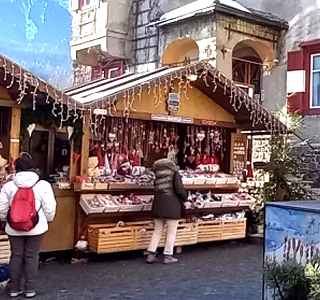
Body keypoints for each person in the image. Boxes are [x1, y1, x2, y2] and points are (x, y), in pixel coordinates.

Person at [0, 155, 56, 298]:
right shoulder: (43, 185)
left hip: (13, 227)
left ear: (16, 168)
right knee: (32, 256)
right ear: (33, 167)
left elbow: (2, 208)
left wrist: (5, 220)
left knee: (16, 256)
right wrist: (47, 220)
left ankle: (14, 288)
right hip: (37, 226)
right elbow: (50, 207)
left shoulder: (9, 186)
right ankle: (30, 289)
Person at [147, 158, 188, 264]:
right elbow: (179, 189)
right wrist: (185, 198)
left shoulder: (157, 173)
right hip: (171, 205)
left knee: (157, 231)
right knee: (171, 232)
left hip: (158, 204)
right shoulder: (174, 173)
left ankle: (151, 254)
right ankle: (168, 256)